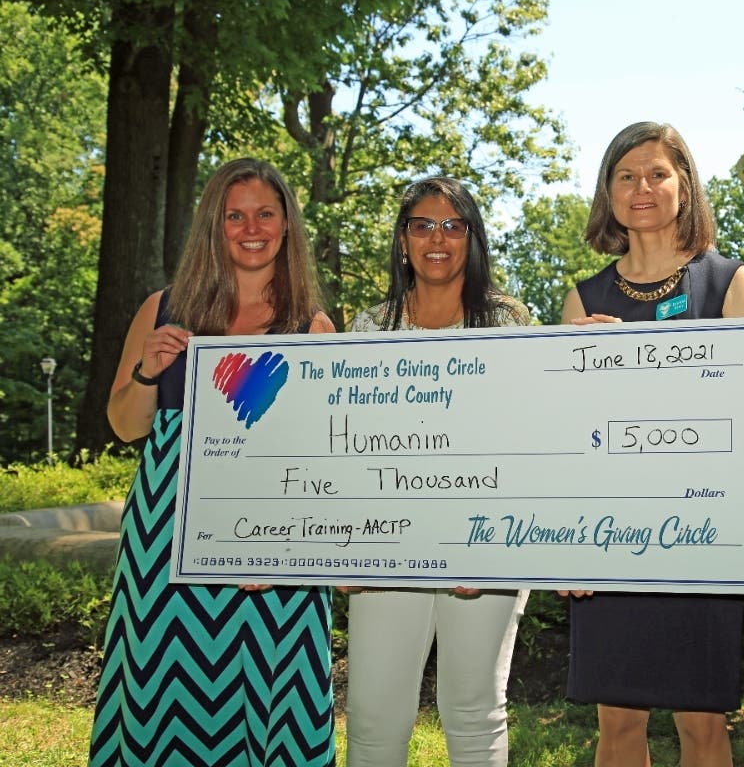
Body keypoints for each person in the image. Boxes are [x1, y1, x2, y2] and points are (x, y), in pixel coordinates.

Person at [89, 158, 337, 766]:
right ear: (213, 225)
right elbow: (125, 426)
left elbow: (326, 459)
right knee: (160, 691)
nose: (250, 227)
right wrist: (149, 368)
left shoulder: (314, 330)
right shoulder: (162, 309)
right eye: (235, 215)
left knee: (271, 697)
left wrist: (283, 548)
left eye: (264, 214)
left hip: (275, 546)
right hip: (167, 538)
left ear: (286, 226)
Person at [559, 121, 744, 767]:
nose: (640, 187)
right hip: (607, 540)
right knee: (616, 728)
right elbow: (565, 437)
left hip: (698, 535)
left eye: (656, 173)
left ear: (684, 185)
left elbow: (740, 419)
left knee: (703, 730)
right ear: (607, 193)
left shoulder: (731, 283)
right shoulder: (581, 298)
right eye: (624, 175)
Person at [345, 175, 531, 767]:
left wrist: (493, 550)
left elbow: (532, 442)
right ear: (403, 240)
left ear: (472, 240)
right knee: (374, 715)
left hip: (485, 546)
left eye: (454, 225)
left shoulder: (509, 323)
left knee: (473, 709)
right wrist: (336, 547)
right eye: (422, 224)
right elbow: (347, 452)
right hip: (385, 548)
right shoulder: (369, 328)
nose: (437, 238)